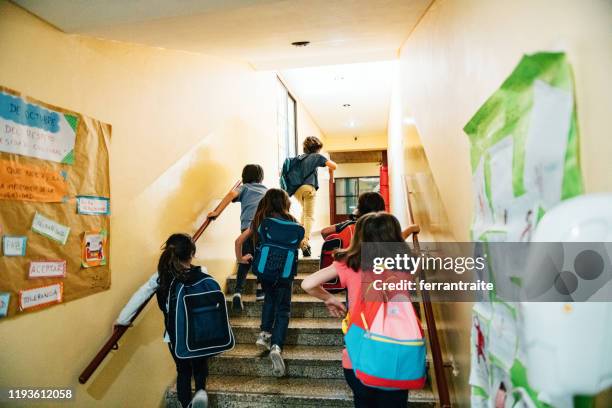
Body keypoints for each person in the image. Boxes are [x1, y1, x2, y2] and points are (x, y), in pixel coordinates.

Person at [301, 212, 412, 408]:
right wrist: (410, 230)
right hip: (396, 355)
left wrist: (329, 298)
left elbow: (308, 283)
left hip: (358, 358)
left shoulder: (349, 264)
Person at [116, 233, 209, 408]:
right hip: (199, 334)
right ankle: (200, 392)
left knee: (183, 371)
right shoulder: (201, 272)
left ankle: (185, 404)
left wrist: (122, 320)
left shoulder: (161, 277)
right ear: (192, 253)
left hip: (174, 335)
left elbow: (140, 296)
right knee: (200, 367)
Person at [235, 189, 299, 377]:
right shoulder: (292, 220)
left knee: (269, 298)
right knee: (284, 310)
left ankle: (264, 334)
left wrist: (241, 259)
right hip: (285, 271)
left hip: (265, 270)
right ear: (284, 203)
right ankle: (277, 346)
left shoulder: (260, 219)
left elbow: (239, 241)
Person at [208, 164, 267, 311]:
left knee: (245, 259)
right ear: (261, 177)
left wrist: (216, 212)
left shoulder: (244, 188)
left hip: (246, 228)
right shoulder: (266, 190)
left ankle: (238, 292)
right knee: (261, 258)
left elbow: (230, 195)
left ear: (245, 176)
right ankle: (260, 291)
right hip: (262, 228)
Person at [290, 136, 337, 257]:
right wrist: (331, 171)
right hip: (308, 188)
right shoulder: (316, 156)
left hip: (296, 190)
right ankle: (304, 243)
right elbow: (334, 166)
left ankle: (298, 238)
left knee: (304, 214)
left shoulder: (299, 158)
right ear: (317, 148)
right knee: (309, 216)